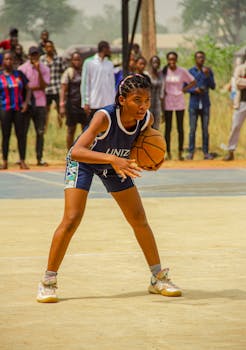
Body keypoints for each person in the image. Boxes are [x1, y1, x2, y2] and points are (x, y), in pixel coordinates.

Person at [36, 74, 182, 303]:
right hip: (84, 162)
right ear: (122, 100)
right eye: (137, 99)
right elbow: (76, 151)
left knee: (138, 218)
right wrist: (113, 159)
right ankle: (48, 280)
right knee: (72, 218)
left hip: (115, 164)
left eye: (146, 100)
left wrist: (152, 161)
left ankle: (158, 278)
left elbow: (140, 147)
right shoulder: (104, 117)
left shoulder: (146, 120)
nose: (143, 105)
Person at [18, 46, 50, 166]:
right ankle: (22, 159)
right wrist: (30, 88)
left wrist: (39, 71)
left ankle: (39, 158)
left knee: (40, 132)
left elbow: (43, 86)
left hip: (40, 103)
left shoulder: (45, 68)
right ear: (29, 55)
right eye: (32, 55)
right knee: (23, 132)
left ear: (39, 55)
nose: (34, 57)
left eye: (36, 55)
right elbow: (22, 88)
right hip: (27, 104)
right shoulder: (22, 69)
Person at [160, 52, 195, 160]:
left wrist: (184, 89)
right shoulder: (164, 71)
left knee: (180, 128)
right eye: (170, 59)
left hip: (179, 101)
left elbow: (193, 81)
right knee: (168, 128)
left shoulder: (182, 71)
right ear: (167, 60)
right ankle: (167, 152)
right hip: (168, 101)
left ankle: (180, 152)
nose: (172, 62)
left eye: (173, 59)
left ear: (176, 60)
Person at [0, 51, 29, 170]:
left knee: (21, 135)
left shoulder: (19, 74)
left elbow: (29, 89)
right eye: (6, 59)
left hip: (18, 109)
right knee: (5, 135)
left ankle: (22, 161)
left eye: (11, 59)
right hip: (5, 109)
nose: (9, 61)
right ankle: (5, 161)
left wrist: (26, 103)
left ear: (14, 61)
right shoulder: (0, 76)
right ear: (2, 61)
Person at [186, 51, 216, 160]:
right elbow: (185, 88)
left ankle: (206, 152)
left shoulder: (208, 71)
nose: (201, 59)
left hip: (205, 104)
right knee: (192, 129)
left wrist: (208, 76)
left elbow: (213, 86)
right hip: (193, 104)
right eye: (199, 57)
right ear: (195, 59)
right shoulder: (190, 72)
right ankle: (190, 152)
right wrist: (195, 90)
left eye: (202, 57)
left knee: (205, 129)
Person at [81, 41, 115, 124]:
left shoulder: (110, 64)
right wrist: (85, 102)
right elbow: (85, 83)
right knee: (93, 129)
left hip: (108, 103)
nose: (110, 51)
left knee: (107, 129)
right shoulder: (89, 62)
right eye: (108, 48)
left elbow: (112, 84)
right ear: (103, 49)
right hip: (94, 103)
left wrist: (114, 101)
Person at [60, 52, 87, 149]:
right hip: (71, 105)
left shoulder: (84, 71)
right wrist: (61, 105)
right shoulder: (69, 72)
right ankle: (69, 153)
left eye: (79, 59)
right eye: (75, 59)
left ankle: (83, 152)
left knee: (85, 130)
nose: (77, 62)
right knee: (71, 130)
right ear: (72, 61)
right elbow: (63, 89)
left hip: (83, 105)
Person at [40, 40, 66, 128]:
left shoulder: (58, 59)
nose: (49, 49)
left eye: (51, 47)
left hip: (57, 88)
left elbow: (64, 71)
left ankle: (60, 127)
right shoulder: (42, 59)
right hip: (46, 89)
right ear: (45, 48)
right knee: (46, 110)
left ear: (53, 47)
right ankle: (45, 128)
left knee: (59, 110)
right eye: (47, 47)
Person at [223, 56, 246, 161]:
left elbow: (242, 83)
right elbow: (237, 83)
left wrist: (243, 82)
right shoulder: (240, 68)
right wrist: (241, 82)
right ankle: (231, 151)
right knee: (235, 126)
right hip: (241, 102)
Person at [148, 55, 163, 130]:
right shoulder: (147, 75)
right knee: (148, 125)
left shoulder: (160, 75)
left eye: (157, 62)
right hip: (148, 104)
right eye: (154, 62)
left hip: (157, 103)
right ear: (150, 63)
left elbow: (162, 91)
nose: (155, 64)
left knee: (156, 126)